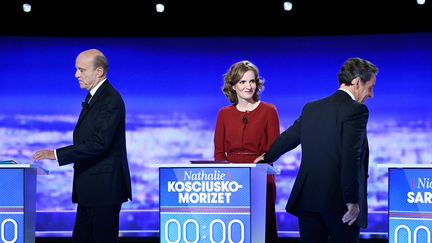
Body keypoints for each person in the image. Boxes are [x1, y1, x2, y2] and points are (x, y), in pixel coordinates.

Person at [257, 57, 378, 243]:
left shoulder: (312, 108)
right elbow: (351, 156)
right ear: (356, 82)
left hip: (308, 200)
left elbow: (289, 138)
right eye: (370, 87)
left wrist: (266, 157)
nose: (371, 94)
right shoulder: (356, 110)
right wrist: (352, 201)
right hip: (340, 204)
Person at [32, 49, 132, 243]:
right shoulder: (95, 97)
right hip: (90, 190)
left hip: (104, 191)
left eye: (81, 70)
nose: (76, 75)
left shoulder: (111, 99)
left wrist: (57, 154)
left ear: (99, 71)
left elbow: (99, 143)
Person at [214, 60, 280, 242]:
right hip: (231, 179)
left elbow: (274, 148)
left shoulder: (269, 111)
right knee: (235, 229)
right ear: (233, 85)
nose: (248, 86)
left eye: (252, 81)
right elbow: (219, 152)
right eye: (242, 82)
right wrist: (226, 177)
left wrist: (260, 163)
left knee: (261, 230)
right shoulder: (224, 114)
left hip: (261, 176)